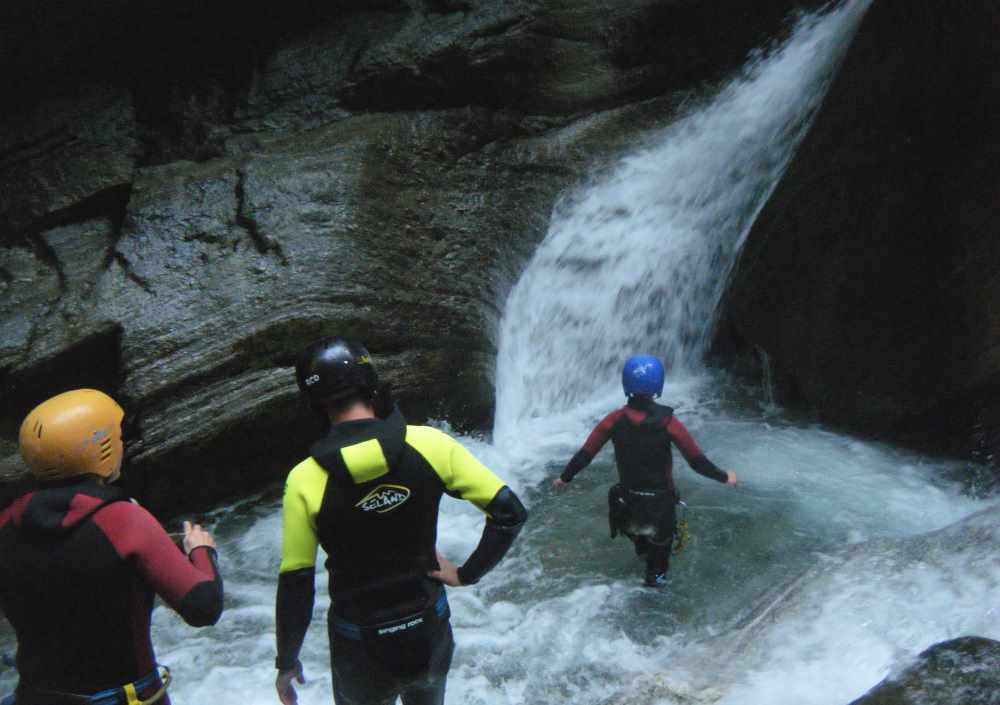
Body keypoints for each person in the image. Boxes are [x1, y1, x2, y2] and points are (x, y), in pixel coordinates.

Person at [275, 337, 527, 705]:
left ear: (314, 402)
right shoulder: (430, 445)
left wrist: (286, 662)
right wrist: (466, 573)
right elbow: (510, 513)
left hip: (358, 644)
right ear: (370, 383)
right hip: (427, 627)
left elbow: (297, 582)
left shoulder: (304, 479)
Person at [0, 389, 223, 705]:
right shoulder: (123, 521)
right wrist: (202, 551)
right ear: (99, 446)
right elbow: (203, 606)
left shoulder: (7, 524)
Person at [552, 355, 737, 587]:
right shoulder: (669, 423)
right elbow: (696, 461)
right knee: (658, 568)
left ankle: (642, 548)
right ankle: (655, 586)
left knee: (641, 540)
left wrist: (564, 478)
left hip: (628, 503)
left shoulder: (613, 420)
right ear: (658, 386)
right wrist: (725, 477)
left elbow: (586, 454)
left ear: (625, 385)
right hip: (660, 507)